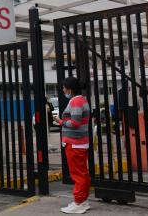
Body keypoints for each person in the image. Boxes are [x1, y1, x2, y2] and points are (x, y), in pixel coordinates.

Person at [54, 77, 91, 214]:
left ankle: (78, 202)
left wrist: (61, 121)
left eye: (64, 87)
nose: (63, 90)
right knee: (83, 173)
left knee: (77, 174)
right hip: (80, 142)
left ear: (70, 89)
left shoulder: (76, 101)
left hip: (75, 143)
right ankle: (83, 200)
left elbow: (75, 123)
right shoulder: (82, 100)